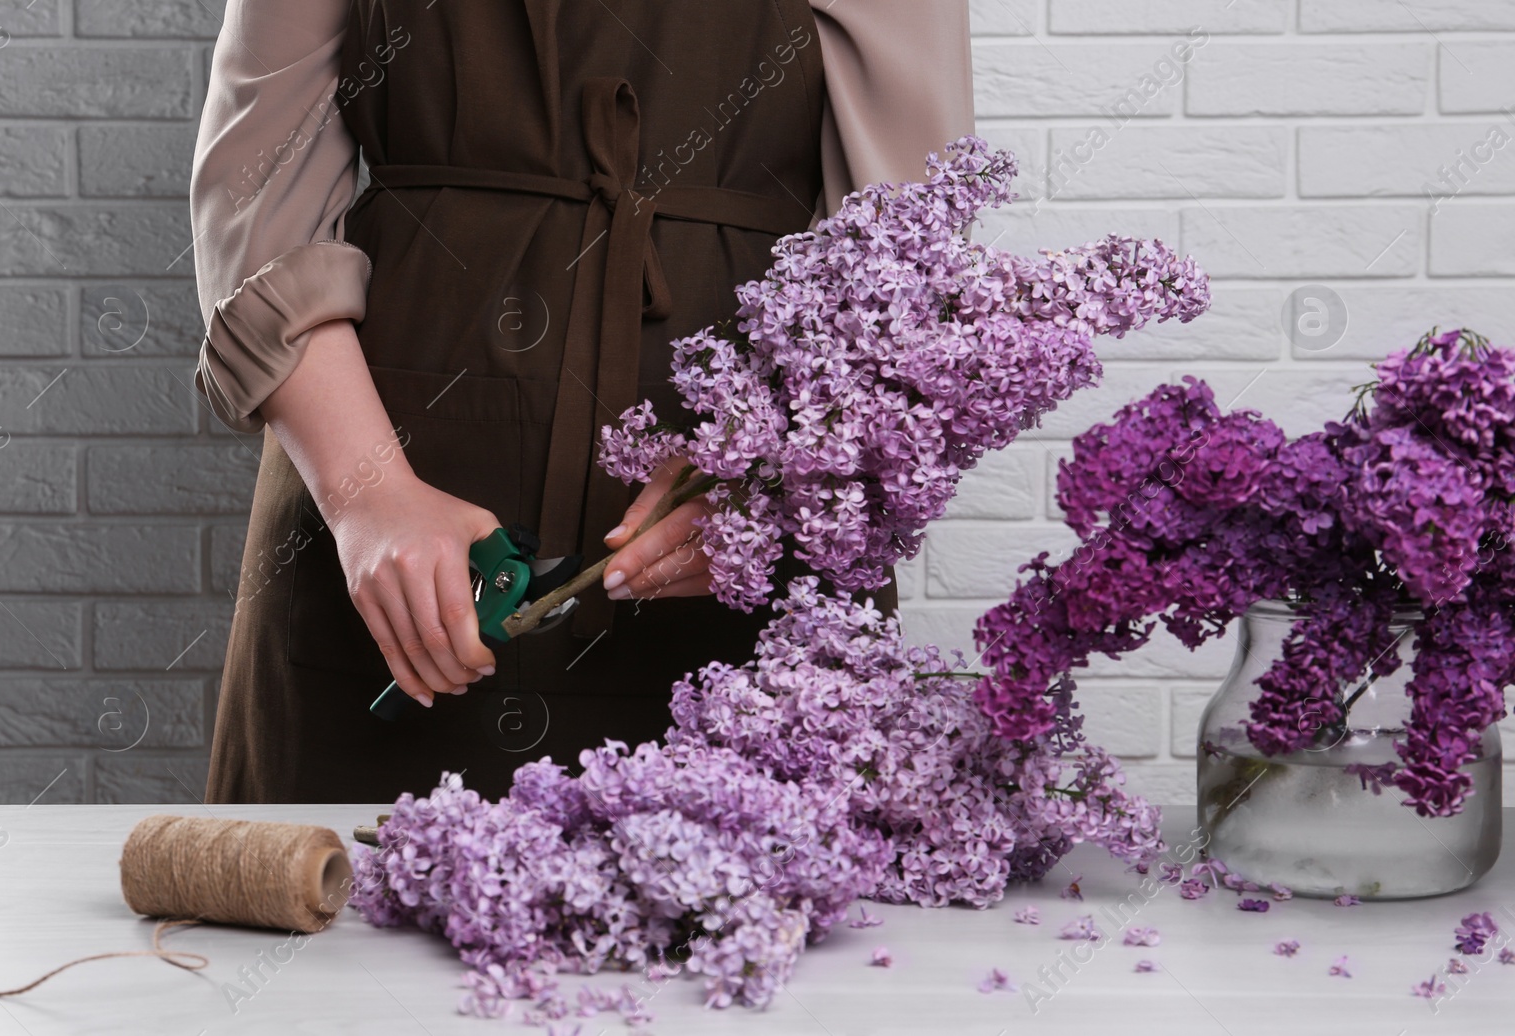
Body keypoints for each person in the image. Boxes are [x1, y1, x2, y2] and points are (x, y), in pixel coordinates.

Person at [191, 0, 974, 803]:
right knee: (324, 906)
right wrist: (372, 494)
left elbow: (910, 246)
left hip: (742, 552)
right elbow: (255, 199)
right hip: (374, 500)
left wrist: (771, 488)